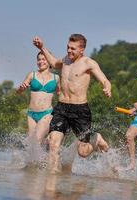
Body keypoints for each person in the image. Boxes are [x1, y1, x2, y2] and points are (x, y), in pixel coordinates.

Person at [33, 34, 111, 172]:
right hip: (61, 108)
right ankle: (52, 179)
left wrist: (107, 87)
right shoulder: (65, 60)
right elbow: (54, 63)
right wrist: (42, 48)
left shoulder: (88, 63)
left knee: (83, 152)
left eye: (73, 49)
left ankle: (96, 138)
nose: (69, 51)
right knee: (53, 143)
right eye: (68, 47)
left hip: (80, 110)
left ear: (82, 50)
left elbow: (104, 80)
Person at [16, 52, 59, 145]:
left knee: (36, 141)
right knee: (31, 145)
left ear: (49, 61)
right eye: (39, 59)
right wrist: (21, 88)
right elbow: (18, 92)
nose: (41, 61)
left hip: (46, 113)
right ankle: (46, 145)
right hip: (31, 114)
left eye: (43, 59)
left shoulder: (56, 78)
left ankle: (47, 142)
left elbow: (62, 95)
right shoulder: (32, 75)